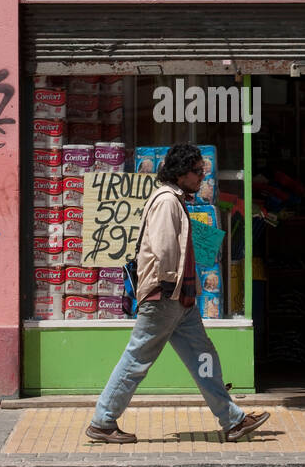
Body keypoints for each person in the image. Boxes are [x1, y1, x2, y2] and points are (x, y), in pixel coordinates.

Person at [86, 143, 270, 444]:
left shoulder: (176, 200)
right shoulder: (167, 201)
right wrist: (171, 286)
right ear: (181, 173)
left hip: (180, 301)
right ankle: (102, 421)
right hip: (166, 297)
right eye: (197, 172)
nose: (201, 177)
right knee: (136, 359)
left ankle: (233, 420)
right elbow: (163, 248)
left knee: (203, 357)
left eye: (203, 171)